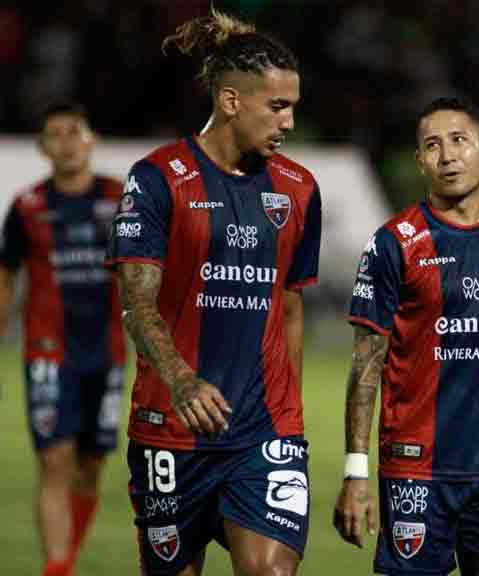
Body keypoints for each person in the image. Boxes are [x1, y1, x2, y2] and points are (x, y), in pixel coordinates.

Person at [106, 9, 321, 576]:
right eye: (277, 106)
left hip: (264, 433)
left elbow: (291, 305)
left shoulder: (298, 190)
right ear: (231, 101)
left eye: (292, 106)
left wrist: (289, 417)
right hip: (170, 430)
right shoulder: (157, 178)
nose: (290, 121)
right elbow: (137, 301)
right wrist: (180, 379)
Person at [335, 96, 479, 575]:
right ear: (420, 160)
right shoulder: (394, 243)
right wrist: (356, 472)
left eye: (459, 140)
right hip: (415, 472)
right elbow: (366, 362)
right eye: (432, 145)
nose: (447, 155)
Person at [0, 100, 124, 576]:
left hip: (108, 353)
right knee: (55, 460)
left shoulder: (121, 200)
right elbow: (7, 277)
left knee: (90, 466)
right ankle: (58, 567)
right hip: (48, 353)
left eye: (75, 131)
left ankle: (64, 559)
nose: (67, 141)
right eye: (56, 134)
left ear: (92, 140)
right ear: (43, 148)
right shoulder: (27, 207)